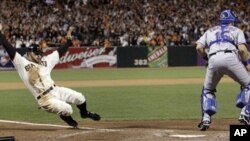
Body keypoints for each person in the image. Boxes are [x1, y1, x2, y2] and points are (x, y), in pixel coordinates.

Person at [0, 24, 101, 128]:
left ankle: (84, 113)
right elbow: (8, 47)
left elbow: (60, 51)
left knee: (80, 97)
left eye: (40, 53)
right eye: (37, 53)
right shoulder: (22, 63)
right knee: (68, 109)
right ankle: (66, 117)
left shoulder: (45, 61)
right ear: (30, 53)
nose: (40, 55)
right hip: (45, 99)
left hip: (55, 90)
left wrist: (69, 40)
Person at [196, 10, 250, 131]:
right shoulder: (237, 31)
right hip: (231, 58)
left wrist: (206, 58)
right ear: (231, 21)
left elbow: (199, 47)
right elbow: (242, 50)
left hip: (213, 59)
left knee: (207, 90)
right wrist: (246, 63)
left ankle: (205, 119)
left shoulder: (209, 31)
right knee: (248, 85)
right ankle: (245, 112)